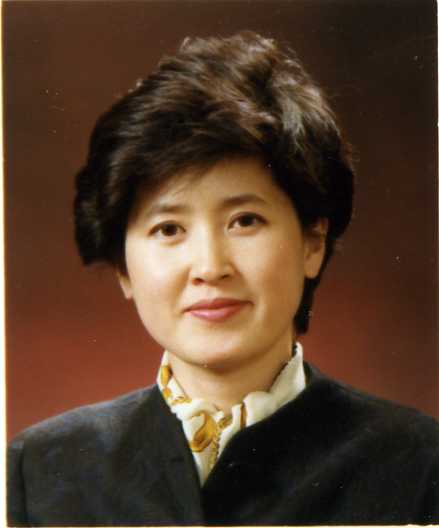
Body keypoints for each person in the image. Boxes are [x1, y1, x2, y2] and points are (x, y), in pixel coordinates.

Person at [7, 31, 438, 526]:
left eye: (245, 221)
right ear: (124, 267)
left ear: (312, 243)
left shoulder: (420, 464)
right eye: (169, 229)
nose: (210, 267)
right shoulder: (37, 470)